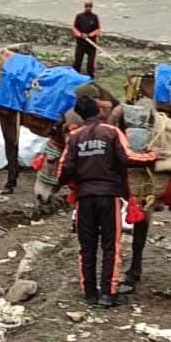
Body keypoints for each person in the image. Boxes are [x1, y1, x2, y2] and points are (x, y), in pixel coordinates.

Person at [56, 95, 158, 307]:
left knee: (87, 246)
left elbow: (63, 169)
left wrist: (73, 185)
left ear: (81, 115)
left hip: (84, 199)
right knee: (111, 245)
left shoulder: (74, 137)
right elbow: (128, 158)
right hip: (109, 197)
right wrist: (153, 156)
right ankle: (108, 293)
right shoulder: (112, 132)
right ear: (99, 112)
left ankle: (90, 293)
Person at [72, 0, 101, 78]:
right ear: (84, 7)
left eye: (90, 7)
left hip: (91, 44)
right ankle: (74, 75)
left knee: (91, 63)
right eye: (87, 6)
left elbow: (98, 29)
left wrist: (89, 35)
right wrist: (80, 34)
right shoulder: (79, 16)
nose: (88, 8)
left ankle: (91, 77)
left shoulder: (94, 17)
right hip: (81, 43)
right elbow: (74, 27)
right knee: (77, 61)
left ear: (91, 7)